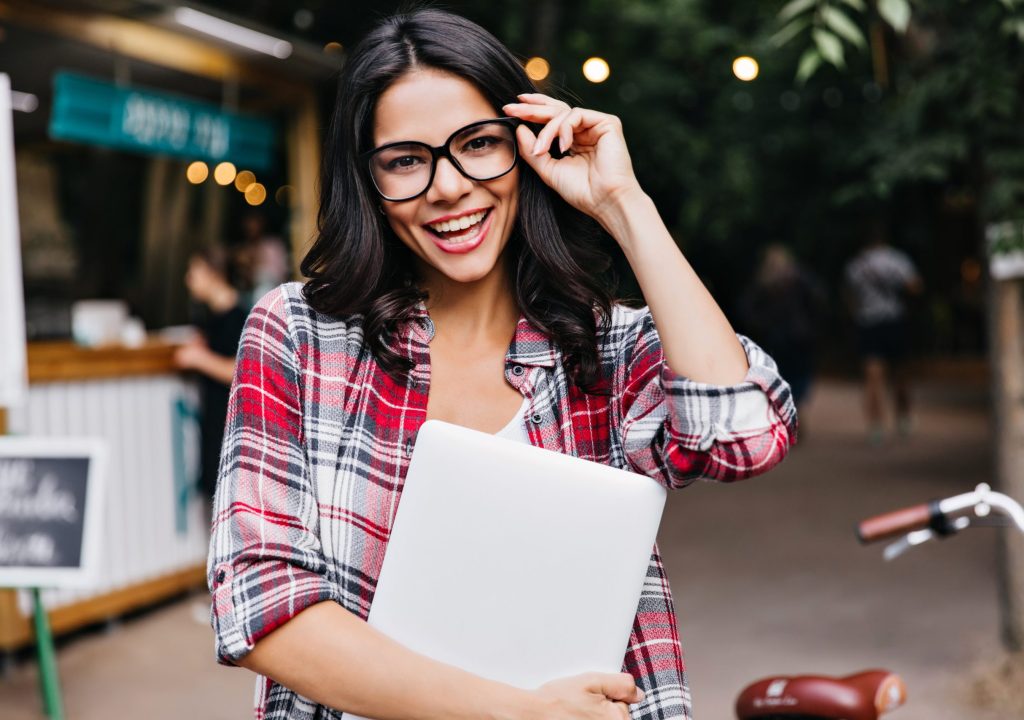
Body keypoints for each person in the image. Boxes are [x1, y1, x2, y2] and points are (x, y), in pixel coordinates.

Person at [207, 10, 797, 720]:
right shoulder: (302, 334)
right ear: (367, 180)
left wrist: (623, 202)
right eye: (405, 159)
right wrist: (512, 711)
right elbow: (259, 603)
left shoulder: (607, 347)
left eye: (479, 143)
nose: (448, 186)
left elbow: (743, 435)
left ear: (524, 148)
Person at [173, 247, 247, 503]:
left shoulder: (240, 317)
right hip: (216, 418)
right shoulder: (212, 318)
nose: (188, 279)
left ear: (211, 272)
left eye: (193, 271)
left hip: (235, 423)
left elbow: (240, 370)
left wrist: (199, 359)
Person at [844, 228, 922, 444]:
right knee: (901, 373)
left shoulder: (855, 266)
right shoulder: (897, 260)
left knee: (873, 376)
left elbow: (850, 298)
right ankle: (903, 416)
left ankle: (876, 425)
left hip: (867, 322)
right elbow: (915, 286)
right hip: (894, 320)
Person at [737, 244, 824, 417]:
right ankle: (795, 406)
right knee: (799, 375)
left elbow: (746, 310)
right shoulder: (800, 278)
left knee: (781, 375)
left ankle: (787, 408)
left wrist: (759, 325)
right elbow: (818, 300)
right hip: (796, 337)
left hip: (778, 338)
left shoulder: (764, 282)